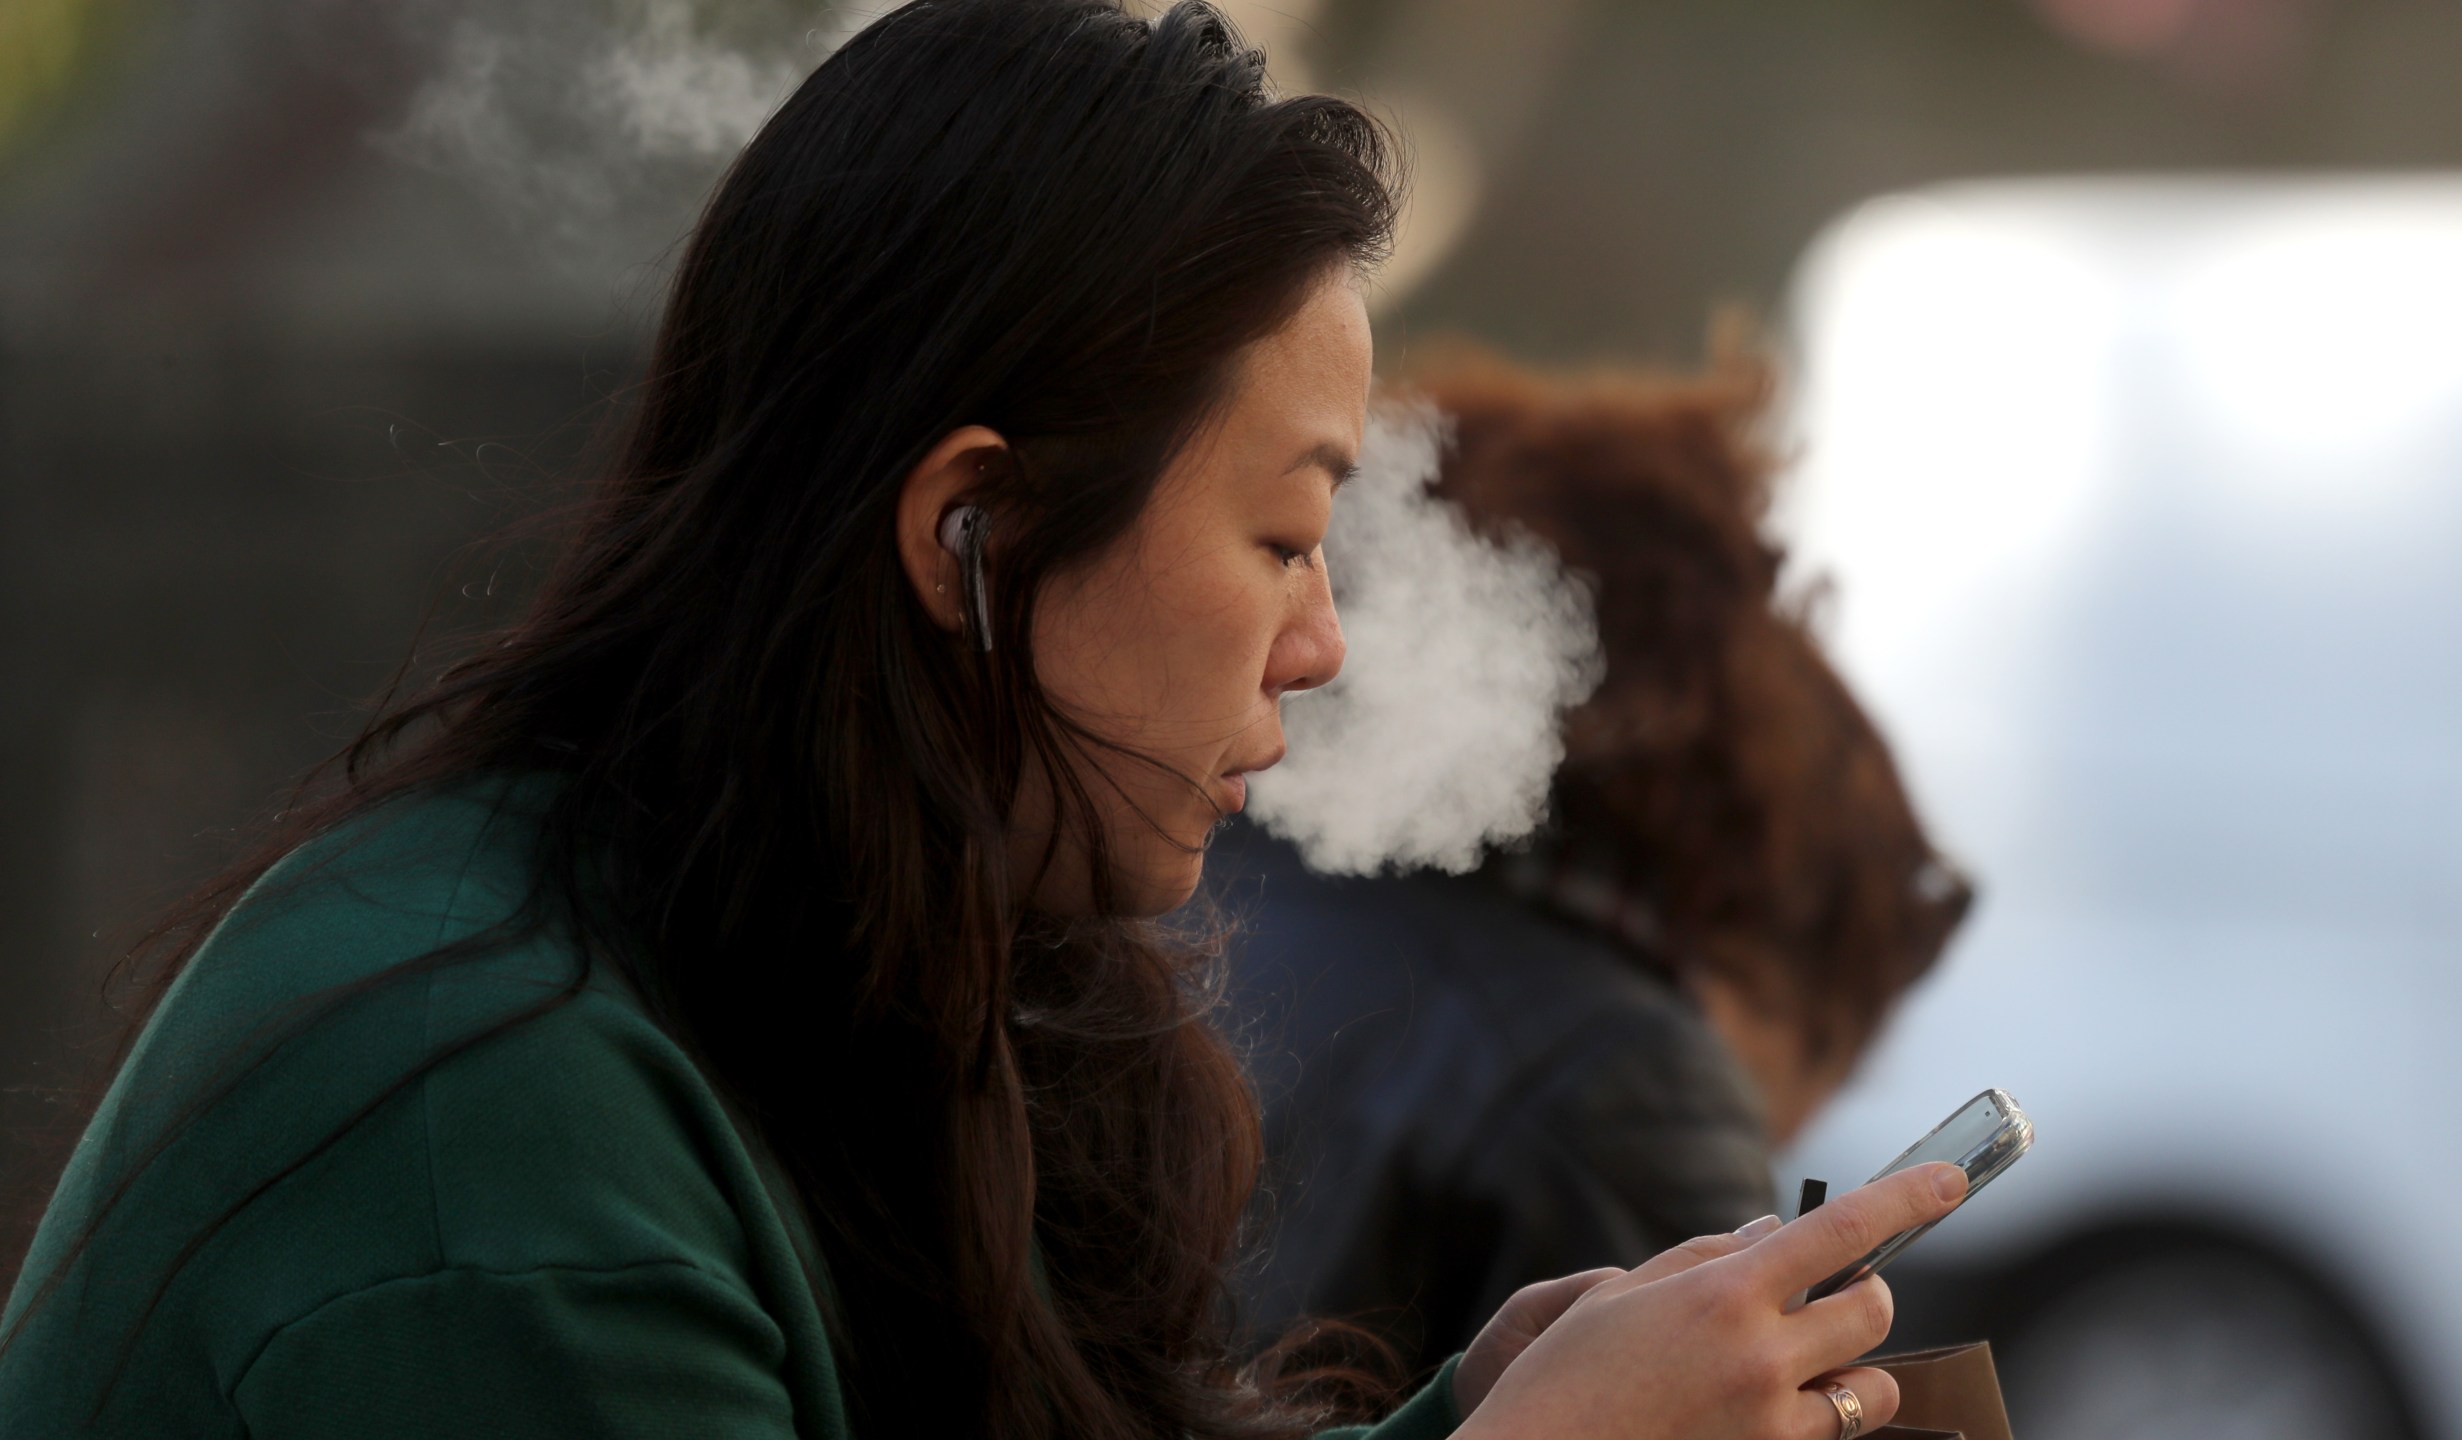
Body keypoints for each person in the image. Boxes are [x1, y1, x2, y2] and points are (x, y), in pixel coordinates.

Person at [0, 6, 1966, 1439]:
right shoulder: (486, 1142)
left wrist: (1465, 1421)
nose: (1320, 645)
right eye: (1282, 535)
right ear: (974, 532)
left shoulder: (822, 974)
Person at [1220, 350, 1974, 1375]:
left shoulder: (1201, 881)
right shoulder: (1622, 1085)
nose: (1768, 1150)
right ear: (1747, 926)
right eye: (1794, 1092)